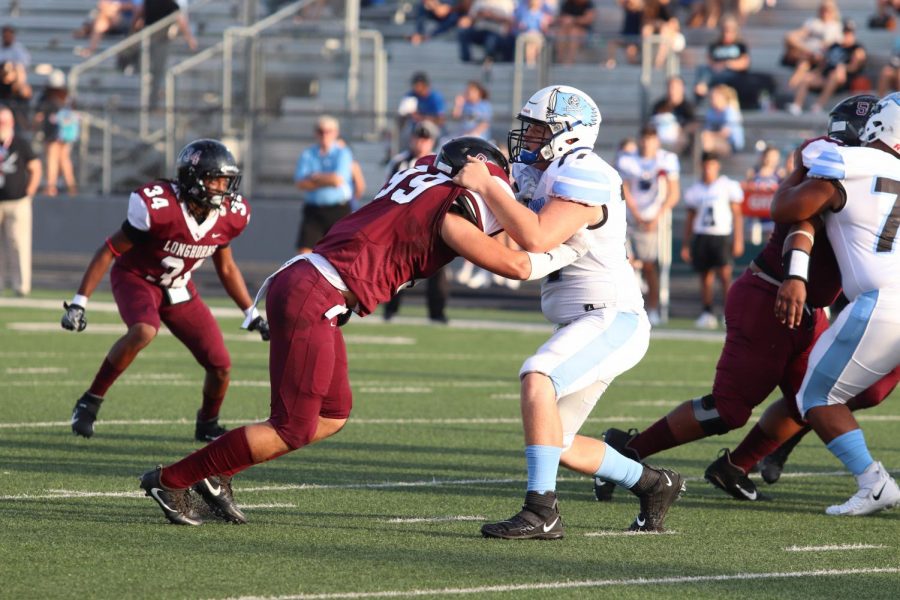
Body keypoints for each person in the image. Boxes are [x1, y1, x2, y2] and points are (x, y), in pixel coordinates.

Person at [136, 136, 593, 525]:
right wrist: (574, 248)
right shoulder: (453, 212)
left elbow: (496, 235)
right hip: (316, 291)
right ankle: (172, 480)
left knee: (332, 414)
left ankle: (216, 475)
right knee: (292, 426)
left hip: (317, 287)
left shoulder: (421, 179)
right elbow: (514, 262)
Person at [594, 96, 897, 505]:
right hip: (772, 294)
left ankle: (736, 466)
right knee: (729, 409)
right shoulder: (832, 164)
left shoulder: (860, 167)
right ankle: (626, 452)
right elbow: (798, 221)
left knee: (811, 400)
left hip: (811, 305)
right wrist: (795, 275)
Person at [456, 85, 685, 539]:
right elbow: (513, 251)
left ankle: (542, 511)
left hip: (611, 316)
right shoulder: (543, 176)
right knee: (554, 439)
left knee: (537, 375)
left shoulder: (585, 170)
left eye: (539, 129)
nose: (529, 138)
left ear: (569, 134)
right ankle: (655, 484)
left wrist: (487, 187)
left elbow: (538, 236)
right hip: (586, 318)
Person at [61, 139, 269, 441]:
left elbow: (226, 267)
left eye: (226, 180)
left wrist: (251, 313)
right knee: (145, 330)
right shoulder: (159, 206)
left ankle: (207, 424)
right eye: (215, 179)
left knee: (221, 366)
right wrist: (79, 302)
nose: (223, 187)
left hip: (180, 289)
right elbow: (109, 250)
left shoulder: (229, 215)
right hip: (137, 278)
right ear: (193, 179)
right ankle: (90, 401)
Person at [767, 92, 900, 515]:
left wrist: (798, 169)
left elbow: (786, 208)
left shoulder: (850, 163)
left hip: (881, 302)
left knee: (816, 397)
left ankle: (873, 483)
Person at [381, 121, 450, 323]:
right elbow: (387, 190)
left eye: (425, 138)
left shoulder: (443, 162)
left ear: (432, 141)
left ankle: (437, 313)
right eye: (418, 137)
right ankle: (390, 309)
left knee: (437, 268)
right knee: (397, 268)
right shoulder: (398, 162)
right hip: (403, 221)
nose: (421, 142)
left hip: (431, 223)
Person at [617, 124, 680, 325]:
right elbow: (623, 189)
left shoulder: (666, 160)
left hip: (653, 220)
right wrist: (635, 214)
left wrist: (656, 216)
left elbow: (673, 193)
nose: (647, 142)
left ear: (657, 141)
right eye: (644, 138)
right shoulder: (628, 160)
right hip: (629, 218)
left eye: (651, 138)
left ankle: (652, 308)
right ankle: (625, 306)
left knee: (650, 265)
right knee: (623, 262)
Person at [681, 151, 743, 329]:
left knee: (725, 275)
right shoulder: (695, 190)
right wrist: (686, 243)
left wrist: (738, 239)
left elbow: (737, 214)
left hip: (721, 234)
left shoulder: (726, 186)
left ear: (717, 167)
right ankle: (707, 312)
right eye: (706, 166)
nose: (709, 169)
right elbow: (690, 219)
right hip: (702, 234)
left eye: (712, 166)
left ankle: (729, 313)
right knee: (705, 276)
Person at [294, 116, 354, 254]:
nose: (324, 135)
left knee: (339, 253)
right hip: (314, 211)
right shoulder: (308, 154)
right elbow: (301, 183)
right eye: (321, 131)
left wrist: (315, 177)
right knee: (304, 253)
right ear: (316, 133)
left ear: (335, 133)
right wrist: (327, 180)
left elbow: (338, 180)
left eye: (329, 131)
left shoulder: (343, 153)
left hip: (338, 210)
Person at [0, 107, 41, 297]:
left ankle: (21, 285)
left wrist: (29, 193)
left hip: (17, 201)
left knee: (19, 243)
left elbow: (35, 168)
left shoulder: (20, 143)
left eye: (4, 122)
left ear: (11, 124)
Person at [786, 20, 867, 115]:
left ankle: (818, 106)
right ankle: (797, 106)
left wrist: (843, 67)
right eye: (844, 32)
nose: (846, 35)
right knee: (807, 78)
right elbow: (824, 62)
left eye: (849, 32)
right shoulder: (834, 46)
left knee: (834, 74)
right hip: (826, 76)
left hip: (841, 79)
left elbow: (854, 67)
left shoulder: (857, 49)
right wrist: (817, 71)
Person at [135, 0, 198, 110]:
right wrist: (190, 39)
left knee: (152, 73)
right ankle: (151, 103)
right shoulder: (166, 3)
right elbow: (180, 19)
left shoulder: (167, 3)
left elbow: (139, 14)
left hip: (154, 40)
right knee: (154, 73)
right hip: (156, 40)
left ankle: (151, 103)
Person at [33, 70, 79, 196]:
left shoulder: (46, 98)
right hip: (66, 133)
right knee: (64, 159)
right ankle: (71, 187)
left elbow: (39, 116)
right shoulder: (68, 96)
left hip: (52, 132)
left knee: (52, 159)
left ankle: (51, 187)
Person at [693, 15, 751, 101]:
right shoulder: (715, 45)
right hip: (715, 72)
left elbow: (744, 63)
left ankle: (705, 90)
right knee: (702, 69)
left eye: (730, 30)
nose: (726, 33)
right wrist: (717, 67)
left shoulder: (740, 46)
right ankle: (701, 90)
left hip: (732, 74)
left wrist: (727, 64)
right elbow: (710, 61)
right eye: (725, 30)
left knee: (725, 76)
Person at [650, 76, 697, 154]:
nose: (672, 90)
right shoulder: (659, 105)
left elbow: (694, 124)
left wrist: (681, 131)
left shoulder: (688, 107)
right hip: (660, 138)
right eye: (670, 87)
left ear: (682, 88)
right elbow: (652, 122)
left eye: (675, 87)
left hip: (679, 139)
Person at [701, 84, 743, 156]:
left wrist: (708, 134)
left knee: (707, 141)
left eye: (715, 97)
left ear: (723, 97)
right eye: (711, 97)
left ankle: (704, 165)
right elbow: (707, 128)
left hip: (732, 145)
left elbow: (725, 133)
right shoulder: (711, 112)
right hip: (716, 141)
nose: (712, 99)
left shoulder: (730, 111)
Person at [554, 0, 596, 65]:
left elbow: (588, 19)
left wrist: (573, 20)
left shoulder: (588, 4)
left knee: (574, 32)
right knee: (561, 32)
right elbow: (561, 18)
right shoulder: (567, 3)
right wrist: (566, 21)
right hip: (567, 29)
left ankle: (570, 61)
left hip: (583, 32)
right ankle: (560, 59)